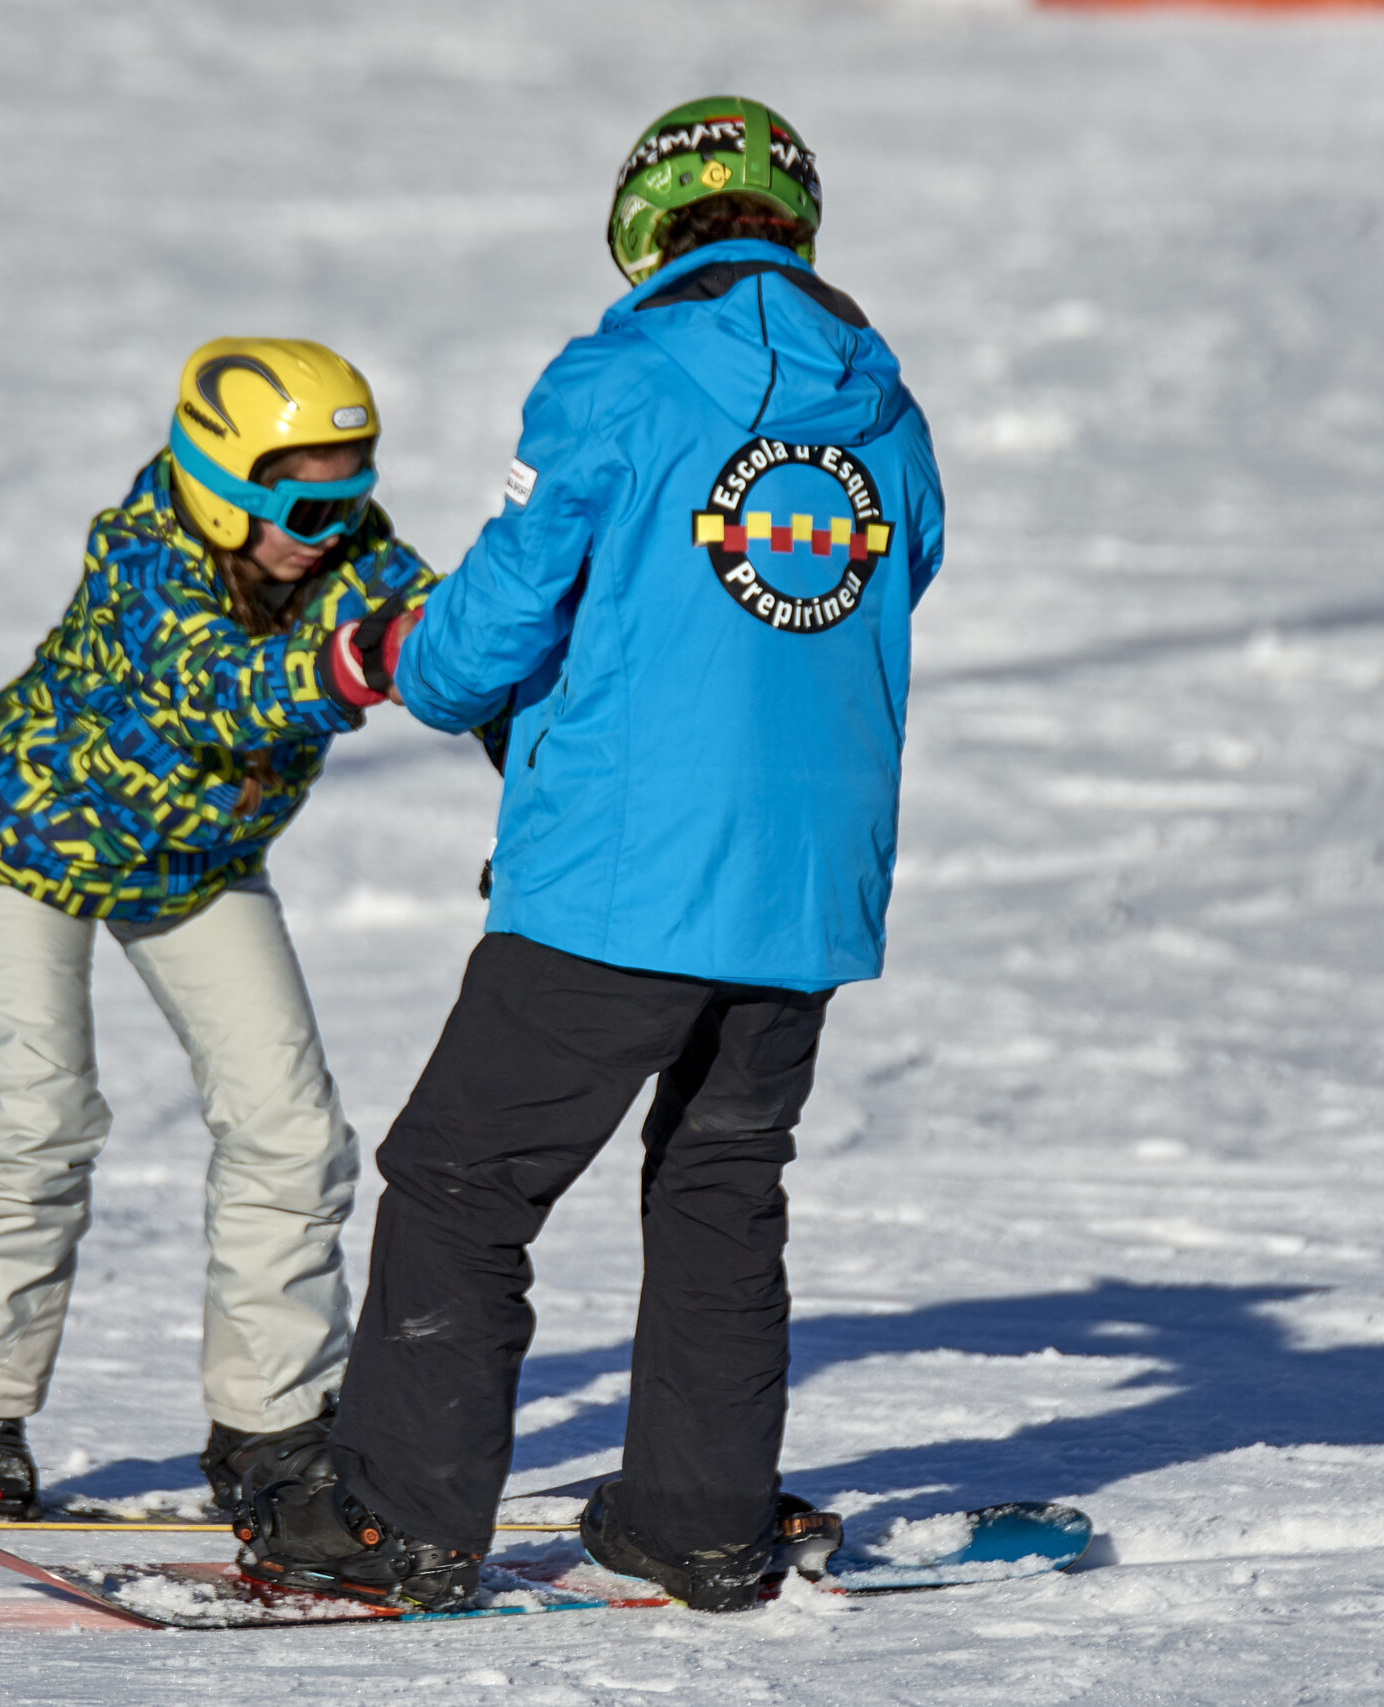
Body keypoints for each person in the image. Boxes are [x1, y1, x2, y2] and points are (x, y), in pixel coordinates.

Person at [231, 97, 945, 1611]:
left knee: (456, 1180)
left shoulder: (614, 381)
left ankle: (397, 1521)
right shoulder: (886, 407)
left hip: (623, 880)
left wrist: (421, 663)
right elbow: (902, 574)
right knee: (721, 1180)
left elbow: (478, 638)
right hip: (804, 888)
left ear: (639, 227)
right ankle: (699, 1517)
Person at [0, 338, 443, 1518]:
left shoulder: (360, 563)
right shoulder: (140, 557)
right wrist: (355, 662)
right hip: (24, 845)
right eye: (304, 499)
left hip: (194, 867)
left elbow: (445, 645)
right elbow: (221, 689)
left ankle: (272, 1423)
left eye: (353, 490)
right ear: (220, 484)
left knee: (292, 1130)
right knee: (39, 1118)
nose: (331, 523)